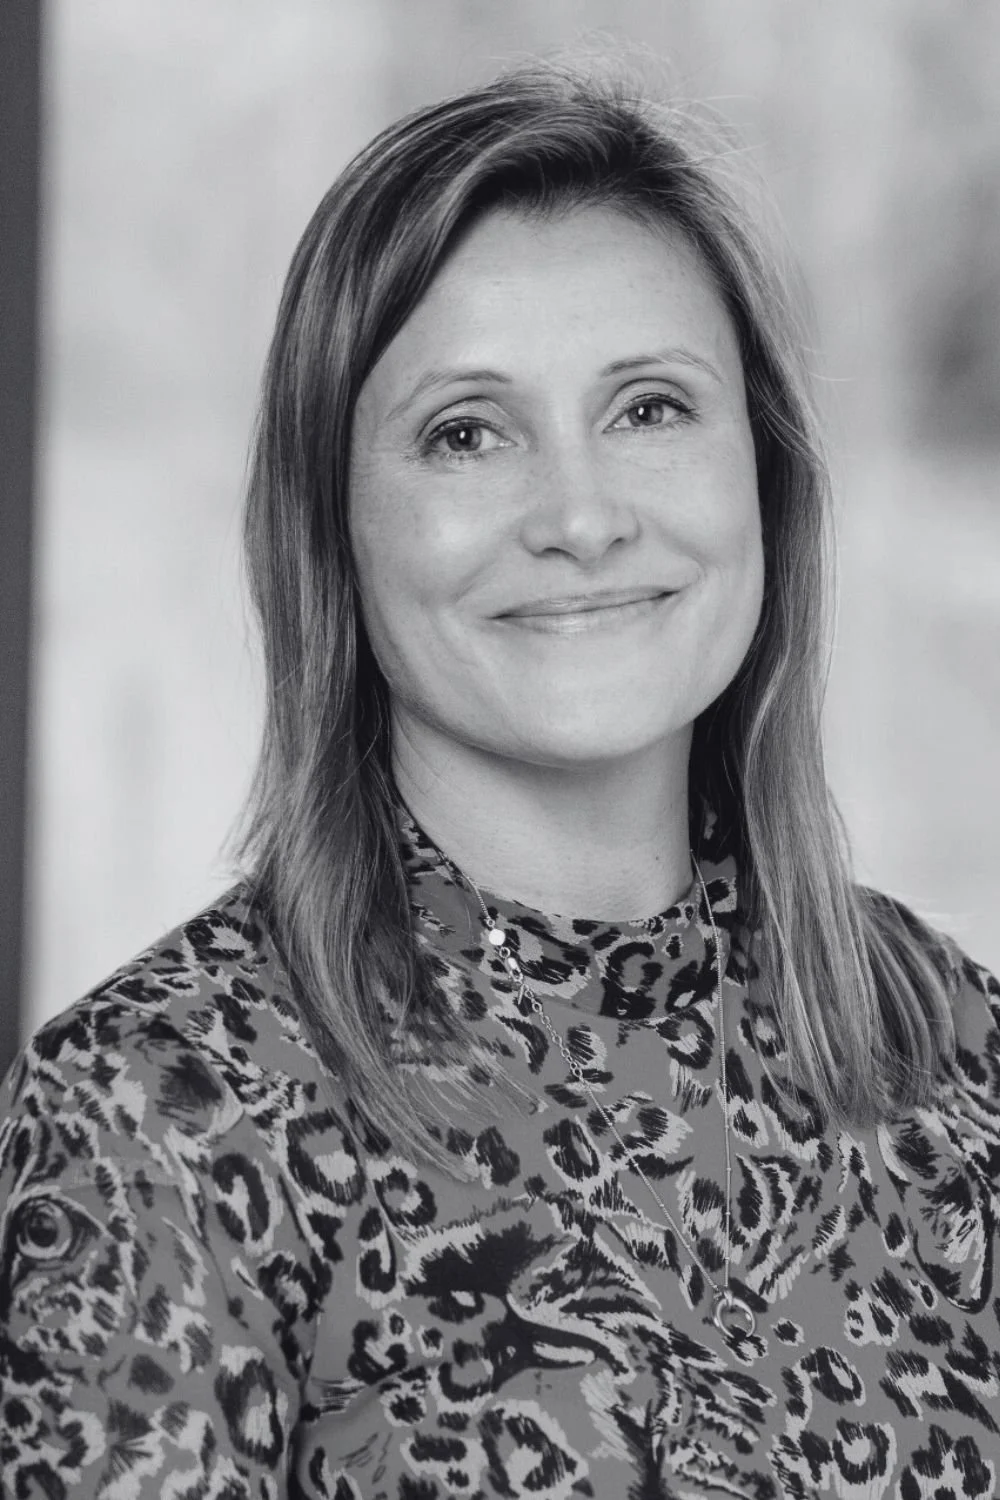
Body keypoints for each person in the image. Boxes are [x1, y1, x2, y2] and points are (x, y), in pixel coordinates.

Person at [2, 62, 998, 1500]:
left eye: (652, 408)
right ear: (330, 528)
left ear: (766, 481)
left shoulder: (950, 1050)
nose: (583, 516)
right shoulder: (156, 1115)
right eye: (467, 433)